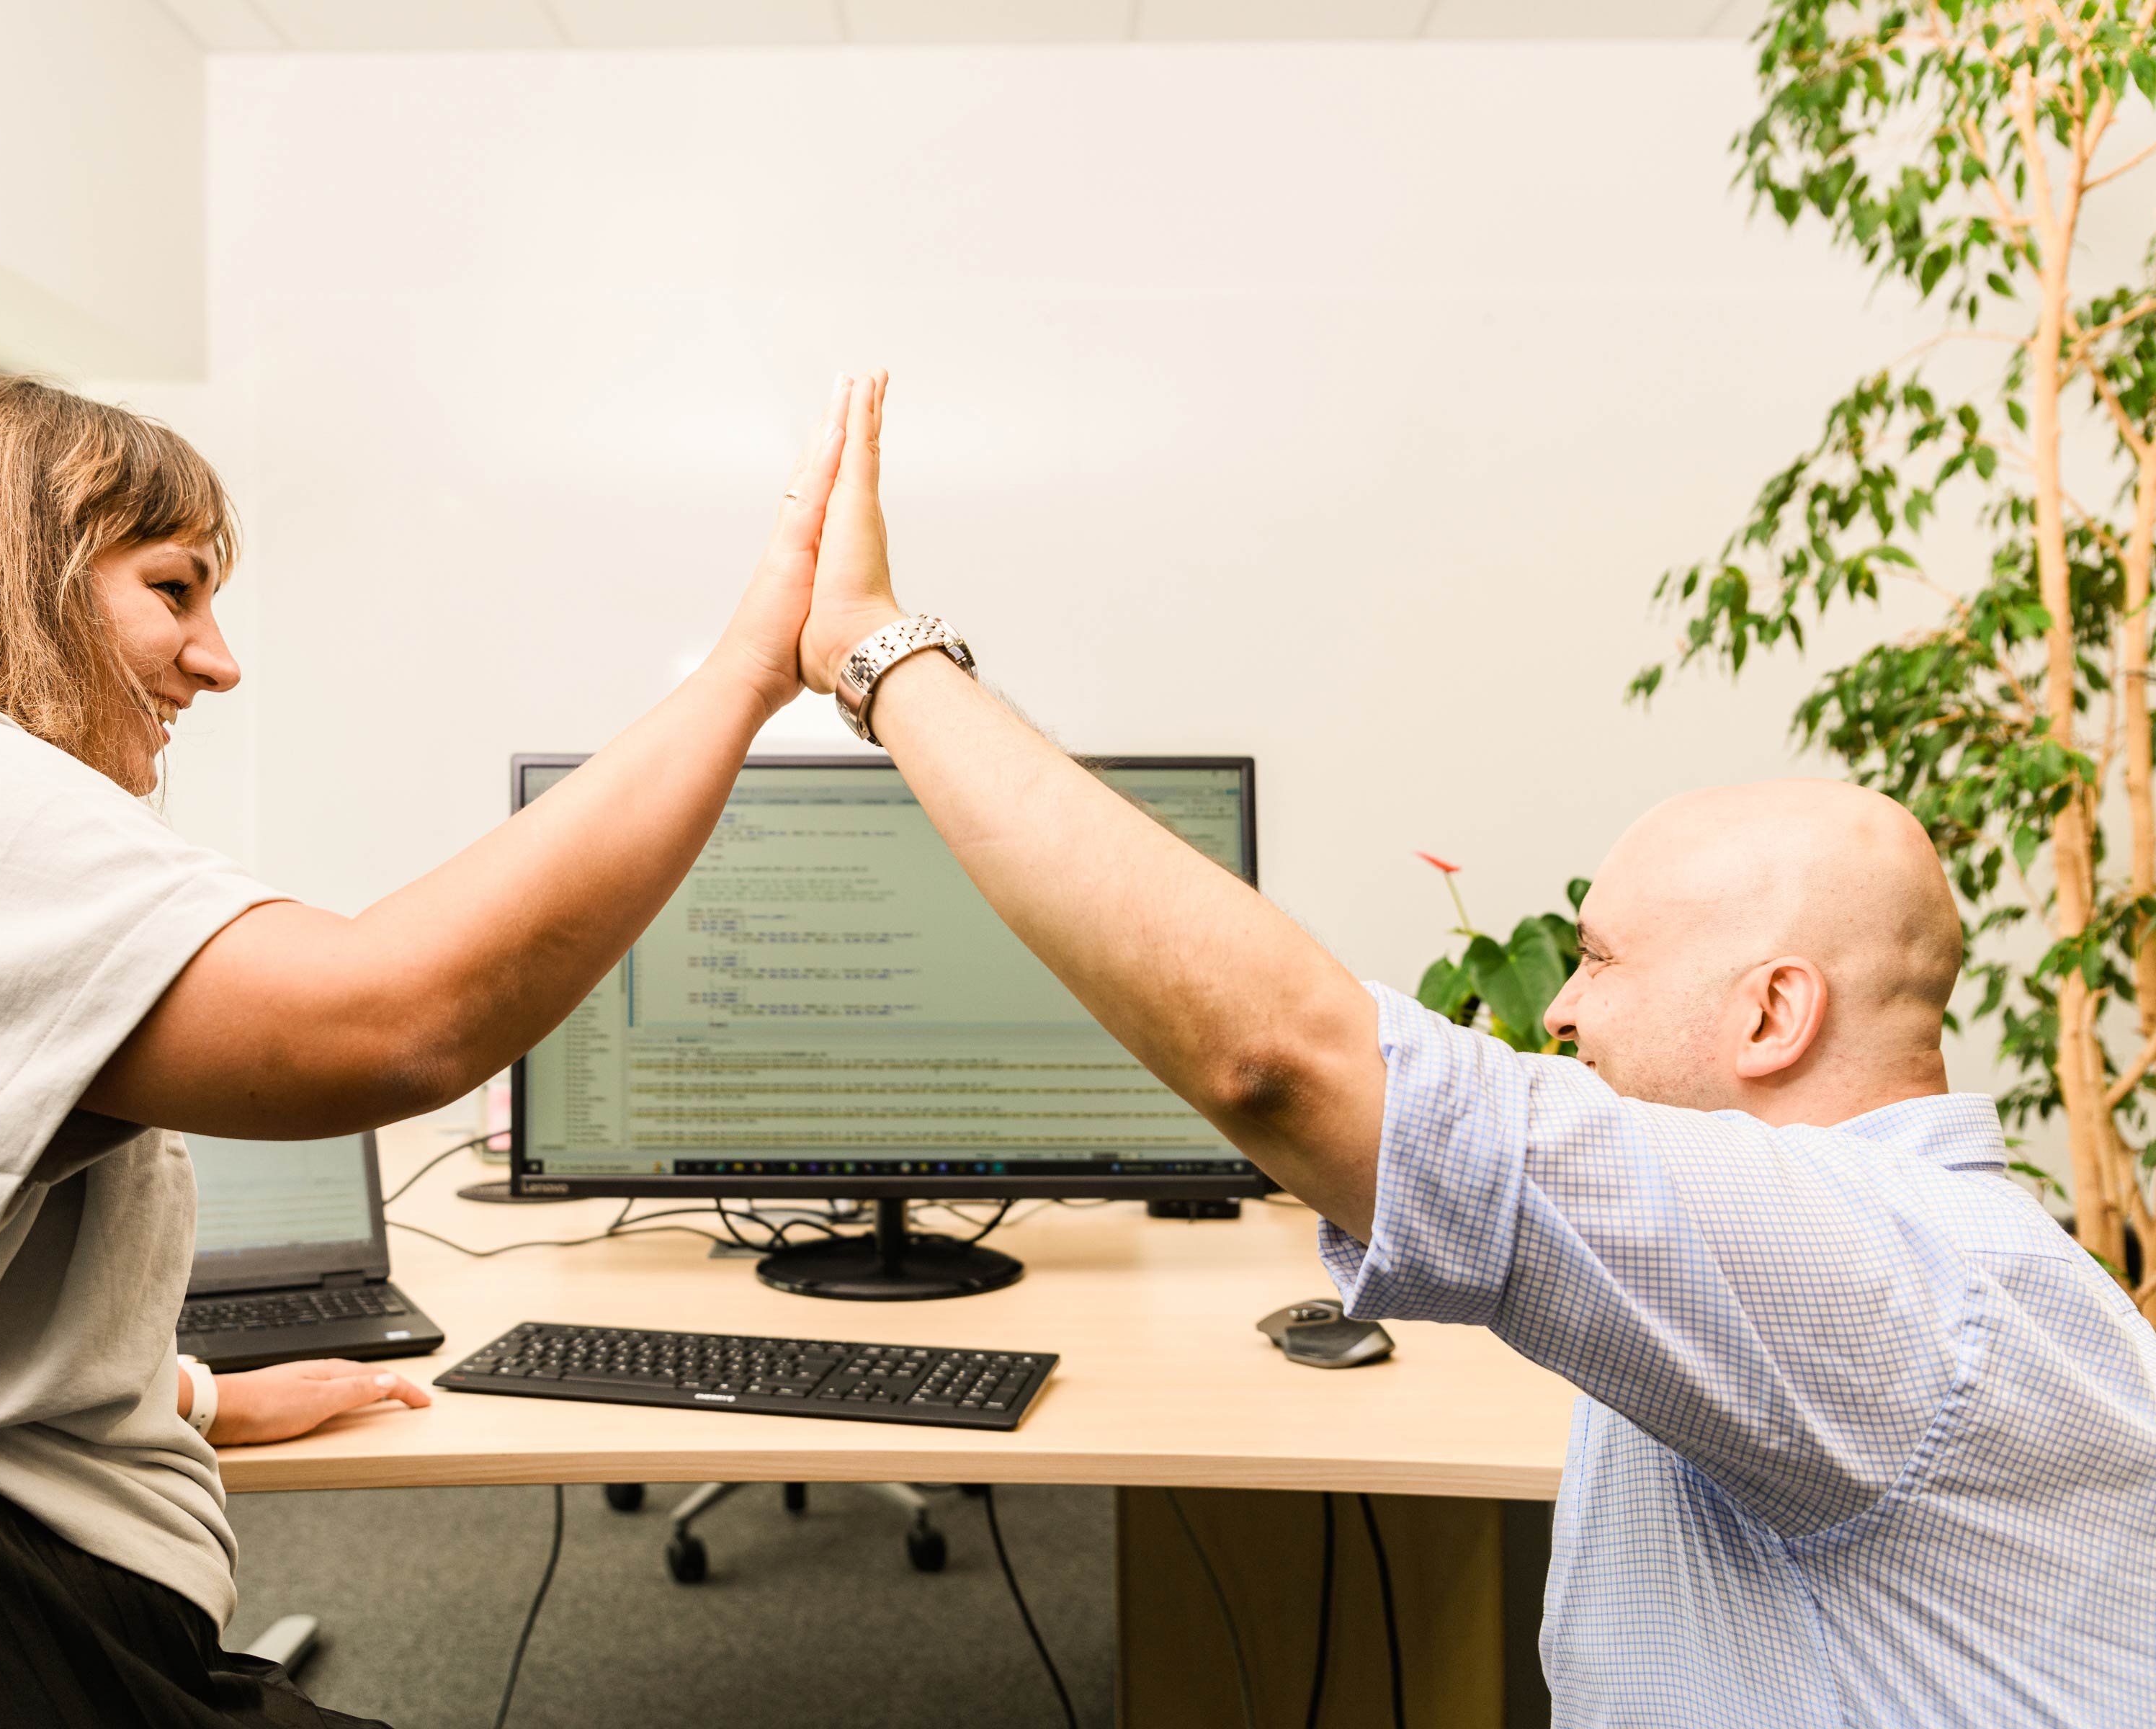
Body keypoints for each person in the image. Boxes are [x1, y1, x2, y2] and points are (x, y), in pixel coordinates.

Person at [792, 372, 2156, 1725]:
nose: (1561, 1011)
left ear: (1771, 1016)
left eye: (1602, 960)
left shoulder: (1872, 1273)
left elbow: (1278, 1061)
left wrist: (876, 654)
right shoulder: (1899, 1256)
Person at [0, 369, 857, 1728]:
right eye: (172, 590)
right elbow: (398, 1023)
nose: (219, 659)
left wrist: (184, 1393)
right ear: (12, 575)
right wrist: (751, 672)